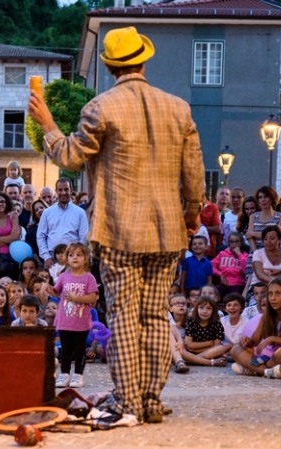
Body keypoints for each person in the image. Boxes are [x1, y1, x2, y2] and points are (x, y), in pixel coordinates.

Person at [29, 26, 205, 425]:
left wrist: (48, 124)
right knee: (156, 316)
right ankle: (150, 401)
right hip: (167, 232)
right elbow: (194, 168)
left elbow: (71, 157)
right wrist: (192, 212)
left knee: (125, 316)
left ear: (109, 65)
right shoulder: (178, 107)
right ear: (144, 59)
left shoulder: (100, 107)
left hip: (119, 230)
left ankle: (128, 403)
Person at [231, 277, 281, 379]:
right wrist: (247, 341)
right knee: (235, 348)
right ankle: (265, 371)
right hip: (272, 357)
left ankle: (252, 369)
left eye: (278, 294)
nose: (273, 298)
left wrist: (273, 339)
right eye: (270, 294)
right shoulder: (267, 315)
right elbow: (254, 341)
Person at [42, 242, 98, 388]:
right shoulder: (64, 276)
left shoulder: (89, 278)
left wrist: (76, 298)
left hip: (81, 321)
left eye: (79, 255)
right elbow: (56, 292)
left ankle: (78, 375)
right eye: (71, 255)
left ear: (86, 259)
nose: (75, 258)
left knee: (79, 349)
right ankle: (64, 374)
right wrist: (46, 287)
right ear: (66, 259)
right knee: (66, 349)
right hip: (65, 320)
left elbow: (93, 298)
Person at [36, 178, 89, 271]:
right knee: (52, 285)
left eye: (66, 189)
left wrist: (78, 256)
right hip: (52, 258)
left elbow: (83, 237)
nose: (63, 193)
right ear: (56, 191)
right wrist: (46, 257)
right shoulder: (47, 212)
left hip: (73, 256)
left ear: (71, 191)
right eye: (60, 190)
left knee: (72, 285)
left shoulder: (80, 212)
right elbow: (40, 236)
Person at [179, 295, 228, 367]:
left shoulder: (217, 324)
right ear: (196, 309)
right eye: (201, 308)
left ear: (213, 311)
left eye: (209, 308)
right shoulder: (191, 321)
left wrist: (195, 349)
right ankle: (207, 362)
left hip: (207, 352)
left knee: (221, 349)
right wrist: (209, 343)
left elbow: (215, 346)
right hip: (190, 351)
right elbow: (189, 344)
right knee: (181, 349)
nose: (205, 311)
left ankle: (191, 360)